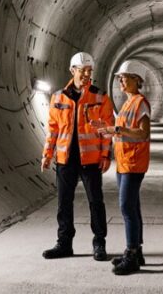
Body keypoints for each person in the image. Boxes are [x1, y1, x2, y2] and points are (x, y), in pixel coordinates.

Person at [41, 52, 115, 261]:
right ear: (72, 70)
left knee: (96, 202)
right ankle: (64, 244)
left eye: (90, 71)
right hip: (65, 159)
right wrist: (47, 154)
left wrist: (105, 155)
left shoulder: (100, 97)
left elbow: (107, 130)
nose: (87, 75)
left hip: (90, 160)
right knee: (64, 203)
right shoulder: (58, 97)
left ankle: (99, 243)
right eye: (83, 71)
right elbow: (53, 129)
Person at [95, 59, 151, 275]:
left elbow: (142, 133)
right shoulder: (127, 103)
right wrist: (106, 129)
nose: (120, 80)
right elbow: (122, 129)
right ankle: (137, 252)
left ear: (136, 80)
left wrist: (117, 131)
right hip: (124, 161)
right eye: (119, 77)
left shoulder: (140, 103)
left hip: (134, 163)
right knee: (132, 207)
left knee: (127, 208)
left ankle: (132, 254)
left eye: (124, 77)